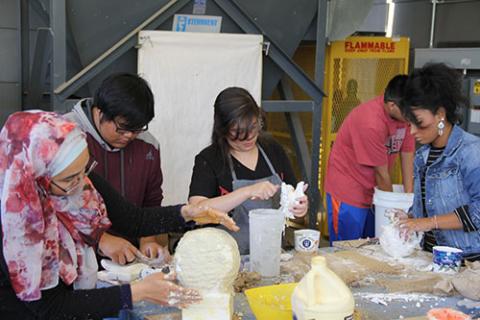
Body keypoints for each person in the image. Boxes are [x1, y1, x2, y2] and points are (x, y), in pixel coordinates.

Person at [0, 111, 238, 319]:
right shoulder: (16, 225)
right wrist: (137, 292)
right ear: (36, 178)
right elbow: (50, 307)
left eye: (84, 170)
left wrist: (189, 212)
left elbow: (134, 220)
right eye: (69, 179)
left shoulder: (80, 181)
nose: (80, 184)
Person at [188, 87, 309, 254]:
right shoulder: (209, 160)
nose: (249, 138)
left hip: (271, 254)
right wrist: (246, 192)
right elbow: (196, 212)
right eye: (239, 133)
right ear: (222, 130)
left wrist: (300, 207)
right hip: (223, 259)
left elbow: (295, 201)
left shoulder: (273, 150)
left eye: (253, 128)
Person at [65, 73, 166, 263]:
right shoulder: (64, 136)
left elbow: (151, 200)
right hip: (76, 257)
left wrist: (148, 239)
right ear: (99, 112)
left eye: (137, 129)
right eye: (122, 128)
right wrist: (100, 238)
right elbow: (54, 206)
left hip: (128, 256)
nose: (129, 136)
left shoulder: (149, 146)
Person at [396, 63, 480, 261]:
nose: (413, 132)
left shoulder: (470, 151)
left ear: (440, 114)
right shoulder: (423, 155)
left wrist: (427, 222)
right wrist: (409, 218)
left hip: (468, 261)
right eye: (409, 124)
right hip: (430, 257)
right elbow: (430, 203)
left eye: (419, 123)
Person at [325, 74, 415, 244]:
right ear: (392, 106)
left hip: (376, 192)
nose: (414, 116)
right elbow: (382, 174)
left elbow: (407, 154)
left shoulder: (406, 117)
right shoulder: (370, 122)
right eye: (410, 111)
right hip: (349, 191)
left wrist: (409, 202)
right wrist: (394, 212)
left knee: (373, 247)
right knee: (347, 250)